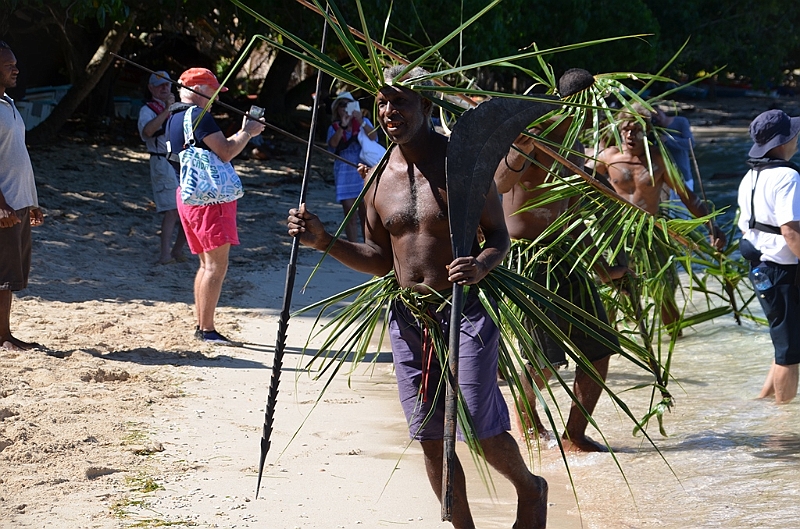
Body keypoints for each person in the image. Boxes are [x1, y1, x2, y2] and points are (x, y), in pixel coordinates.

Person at [289, 65, 548, 529]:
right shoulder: (377, 181)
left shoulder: (462, 164)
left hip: (466, 309)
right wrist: (323, 240)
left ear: (426, 106)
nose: (390, 111)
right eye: (383, 103)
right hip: (409, 319)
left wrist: (481, 266)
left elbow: (498, 238)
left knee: (474, 417)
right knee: (431, 437)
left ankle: (531, 490)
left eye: (401, 101)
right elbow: (376, 257)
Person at [495, 68, 627, 452]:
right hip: (525, 258)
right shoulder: (533, 134)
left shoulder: (575, 147)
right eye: (592, 105)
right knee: (543, 359)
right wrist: (522, 148)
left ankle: (574, 434)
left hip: (566, 255)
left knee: (601, 348)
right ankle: (527, 420)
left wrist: (603, 268)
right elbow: (498, 184)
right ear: (579, 101)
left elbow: (572, 215)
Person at [592, 104, 726, 326]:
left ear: (647, 132)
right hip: (617, 236)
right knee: (615, 294)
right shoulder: (609, 157)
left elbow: (687, 196)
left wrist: (711, 225)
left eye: (636, 130)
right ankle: (614, 348)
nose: (629, 135)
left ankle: (677, 345)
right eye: (625, 129)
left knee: (665, 291)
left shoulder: (658, 160)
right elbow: (579, 180)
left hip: (651, 233)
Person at [166, 67, 265, 344]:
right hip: (210, 200)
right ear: (201, 91)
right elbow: (226, 151)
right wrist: (248, 132)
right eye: (213, 93)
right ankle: (207, 330)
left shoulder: (173, 117)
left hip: (187, 197)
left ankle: (202, 326)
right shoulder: (198, 116)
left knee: (205, 265)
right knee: (215, 268)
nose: (214, 99)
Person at [736, 109, 800, 404]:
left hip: (760, 267)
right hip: (783, 270)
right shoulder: (787, 176)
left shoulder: (751, 175)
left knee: (784, 341)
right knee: (790, 353)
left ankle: (761, 404)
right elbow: (790, 232)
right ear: (782, 142)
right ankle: (782, 427)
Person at [0, 41, 44, 351]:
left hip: (18, 202)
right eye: (8, 65)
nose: (16, 69)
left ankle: (5, 333)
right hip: (4, 206)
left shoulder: (8, 104)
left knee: (11, 276)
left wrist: (32, 201)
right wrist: (0, 205)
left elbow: (18, 157)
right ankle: (2, 337)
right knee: (3, 276)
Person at [137, 70, 187, 265]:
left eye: (167, 85)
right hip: (161, 161)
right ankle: (164, 254)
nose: (164, 88)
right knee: (172, 209)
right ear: (151, 88)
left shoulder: (179, 107)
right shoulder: (148, 110)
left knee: (188, 208)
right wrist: (167, 110)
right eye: (160, 85)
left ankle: (178, 250)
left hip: (181, 160)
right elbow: (148, 131)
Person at [327, 91, 377, 242]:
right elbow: (332, 145)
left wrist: (360, 121)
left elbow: (374, 137)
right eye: (341, 105)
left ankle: (368, 246)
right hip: (344, 171)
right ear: (337, 109)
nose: (345, 108)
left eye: (348, 104)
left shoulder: (364, 123)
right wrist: (343, 125)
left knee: (365, 212)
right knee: (349, 213)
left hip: (363, 169)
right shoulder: (335, 127)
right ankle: (353, 246)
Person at [652, 106, 696, 209]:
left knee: (686, 211)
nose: (657, 118)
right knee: (668, 212)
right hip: (664, 179)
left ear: (661, 111)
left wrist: (668, 140)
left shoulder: (680, 122)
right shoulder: (654, 129)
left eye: (657, 114)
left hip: (683, 176)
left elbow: (690, 143)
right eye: (653, 117)